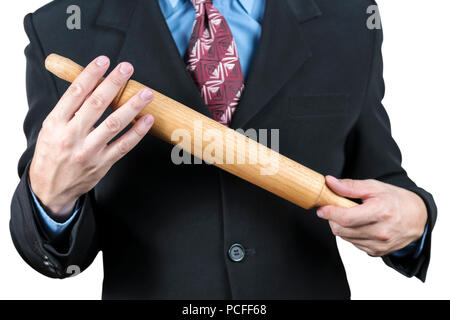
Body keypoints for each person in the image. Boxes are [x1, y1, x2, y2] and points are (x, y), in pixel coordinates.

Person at [10, 0, 437, 299]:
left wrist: (413, 220)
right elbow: (52, 252)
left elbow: (382, 180)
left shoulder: (348, 19)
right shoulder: (61, 29)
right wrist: (51, 199)